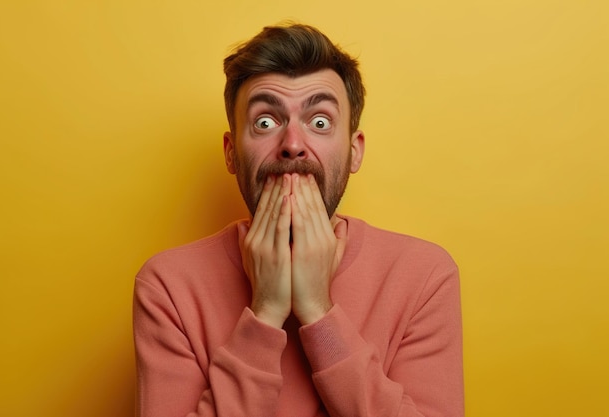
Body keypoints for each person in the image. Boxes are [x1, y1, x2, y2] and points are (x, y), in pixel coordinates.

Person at [133, 23, 464, 417]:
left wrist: (320, 312)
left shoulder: (424, 276)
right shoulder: (167, 286)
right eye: (265, 122)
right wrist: (266, 311)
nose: (292, 145)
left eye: (320, 122)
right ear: (231, 153)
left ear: (354, 152)